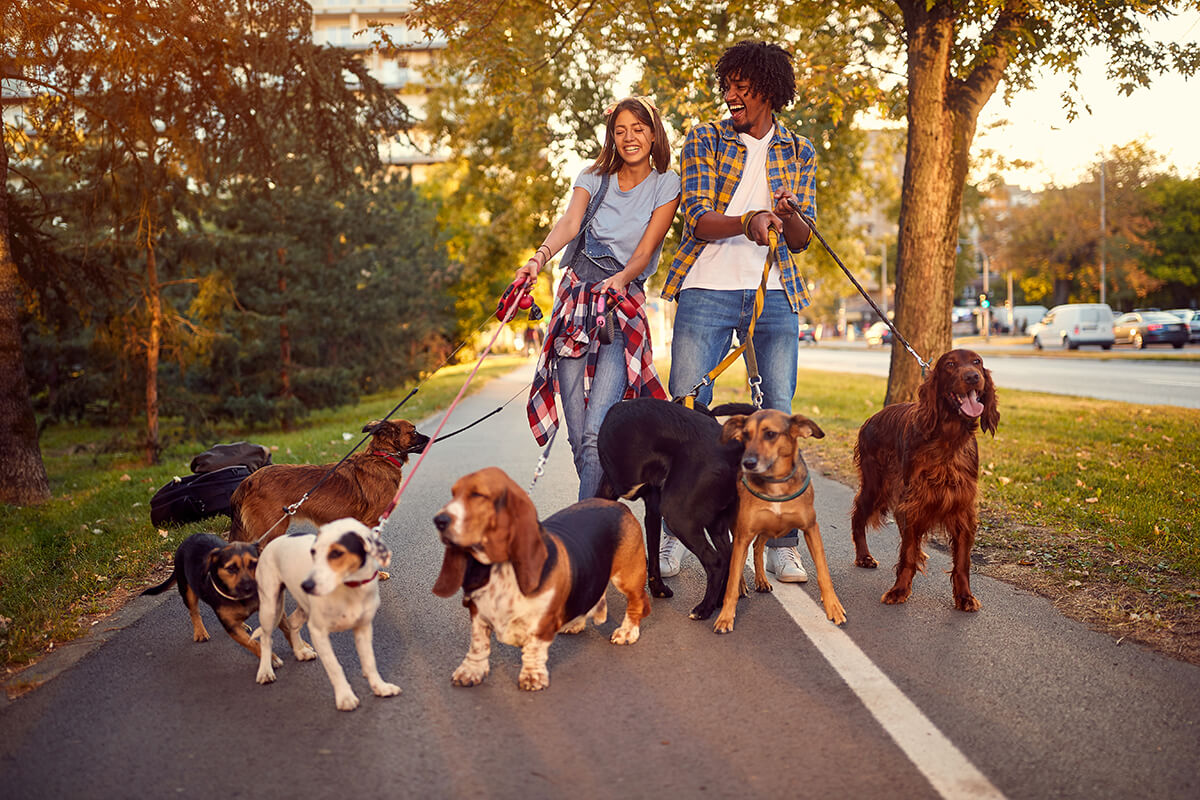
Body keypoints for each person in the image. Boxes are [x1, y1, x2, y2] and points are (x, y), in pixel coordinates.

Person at [659, 40, 817, 583]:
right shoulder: (705, 137)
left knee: (777, 414)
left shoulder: (800, 149)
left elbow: (799, 241)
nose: (729, 96)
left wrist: (788, 216)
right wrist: (749, 217)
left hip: (774, 295)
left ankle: (782, 542)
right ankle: (675, 534)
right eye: (726, 86)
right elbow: (698, 220)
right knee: (688, 413)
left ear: (768, 89)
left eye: (740, 88)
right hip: (706, 289)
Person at [521, 97, 680, 500]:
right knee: (578, 436)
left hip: (619, 306)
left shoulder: (666, 182)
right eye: (621, 129)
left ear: (653, 132)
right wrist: (538, 259)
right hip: (576, 298)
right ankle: (602, 511)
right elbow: (571, 222)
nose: (630, 137)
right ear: (611, 135)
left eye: (638, 128)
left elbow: (646, 250)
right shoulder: (592, 175)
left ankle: (586, 532)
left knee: (596, 432)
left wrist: (623, 279)